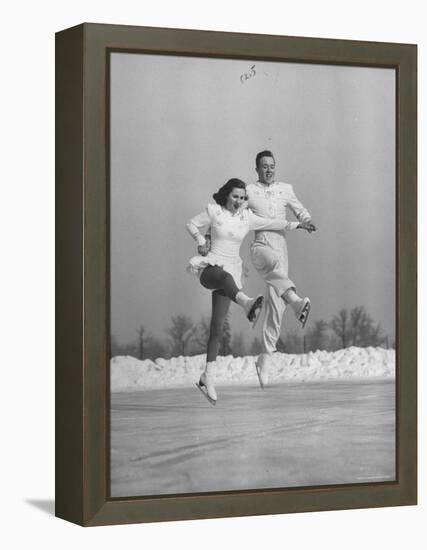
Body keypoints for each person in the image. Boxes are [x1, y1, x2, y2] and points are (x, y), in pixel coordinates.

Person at [186, 178, 303, 405]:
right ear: (226, 195)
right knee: (223, 276)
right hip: (210, 269)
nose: (239, 201)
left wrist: (297, 225)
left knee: (217, 328)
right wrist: (201, 240)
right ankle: (247, 303)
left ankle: (206, 377)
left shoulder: (246, 218)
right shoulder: (214, 212)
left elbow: (272, 222)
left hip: (232, 272)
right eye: (235, 196)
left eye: (242, 197)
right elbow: (190, 223)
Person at [246, 151, 316, 388]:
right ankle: (296, 301)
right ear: (256, 169)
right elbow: (231, 211)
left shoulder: (285, 189)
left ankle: (265, 359)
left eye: (272, 166)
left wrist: (306, 220)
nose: (269, 170)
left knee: (276, 307)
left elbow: (300, 209)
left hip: (280, 246)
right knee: (274, 268)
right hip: (260, 245)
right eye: (264, 166)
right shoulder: (249, 190)